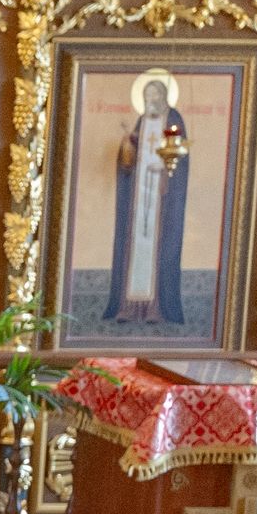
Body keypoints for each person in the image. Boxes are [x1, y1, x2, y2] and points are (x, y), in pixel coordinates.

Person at [103, 75, 190, 331]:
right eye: (147, 95)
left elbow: (180, 157)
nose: (151, 100)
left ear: (164, 96)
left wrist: (164, 169)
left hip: (161, 199)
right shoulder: (141, 121)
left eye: (155, 95)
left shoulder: (174, 119)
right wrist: (128, 144)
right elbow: (129, 160)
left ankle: (156, 308)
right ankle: (128, 307)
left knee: (159, 248)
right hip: (138, 197)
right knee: (134, 247)